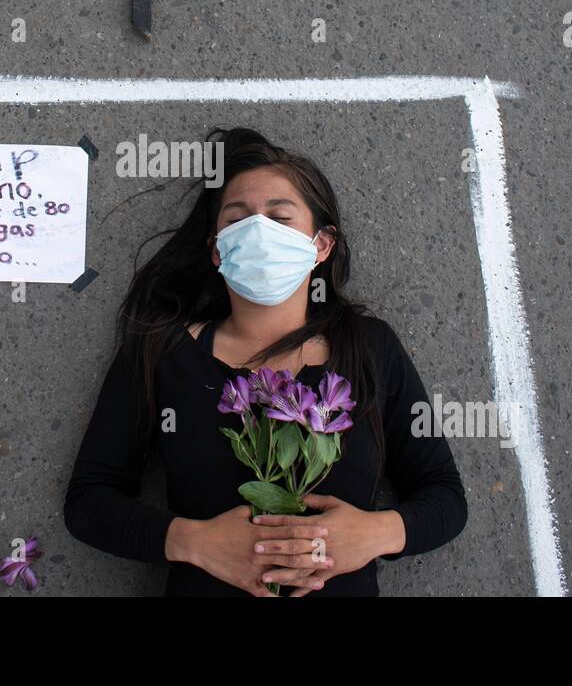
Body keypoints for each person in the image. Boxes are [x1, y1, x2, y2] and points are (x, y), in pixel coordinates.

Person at [63, 127, 468, 595]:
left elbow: (444, 496)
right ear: (217, 250)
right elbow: (89, 501)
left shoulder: (369, 348)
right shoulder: (163, 353)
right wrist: (193, 542)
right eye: (237, 219)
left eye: (280, 217)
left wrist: (375, 534)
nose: (259, 231)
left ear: (321, 245)